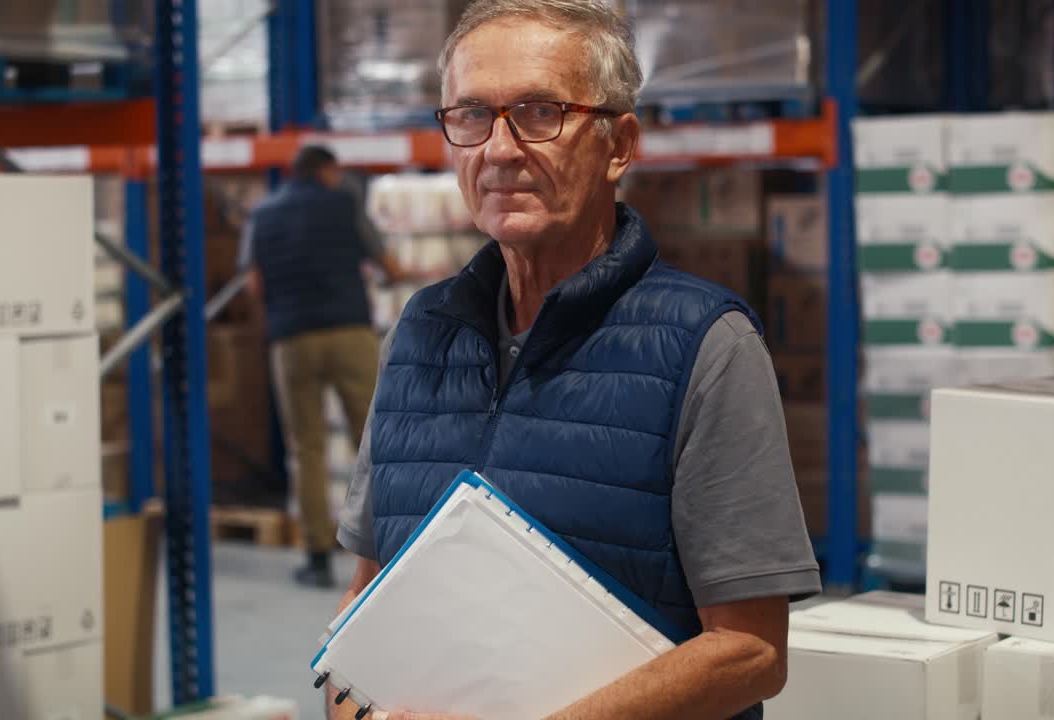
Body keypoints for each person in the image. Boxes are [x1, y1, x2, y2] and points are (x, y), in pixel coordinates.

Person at [330, 1, 821, 718]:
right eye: (470, 116)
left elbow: (751, 651)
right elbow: (368, 597)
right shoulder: (417, 336)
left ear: (619, 144)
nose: (498, 150)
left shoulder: (704, 345)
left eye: (537, 112)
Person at [241, 145, 434, 589]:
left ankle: (316, 557)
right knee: (374, 441)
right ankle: (390, 551)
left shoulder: (262, 214)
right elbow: (388, 266)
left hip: (292, 341)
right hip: (348, 332)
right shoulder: (344, 205)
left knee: (306, 449)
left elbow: (255, 286)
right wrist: (389, 278)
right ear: (326, 172)